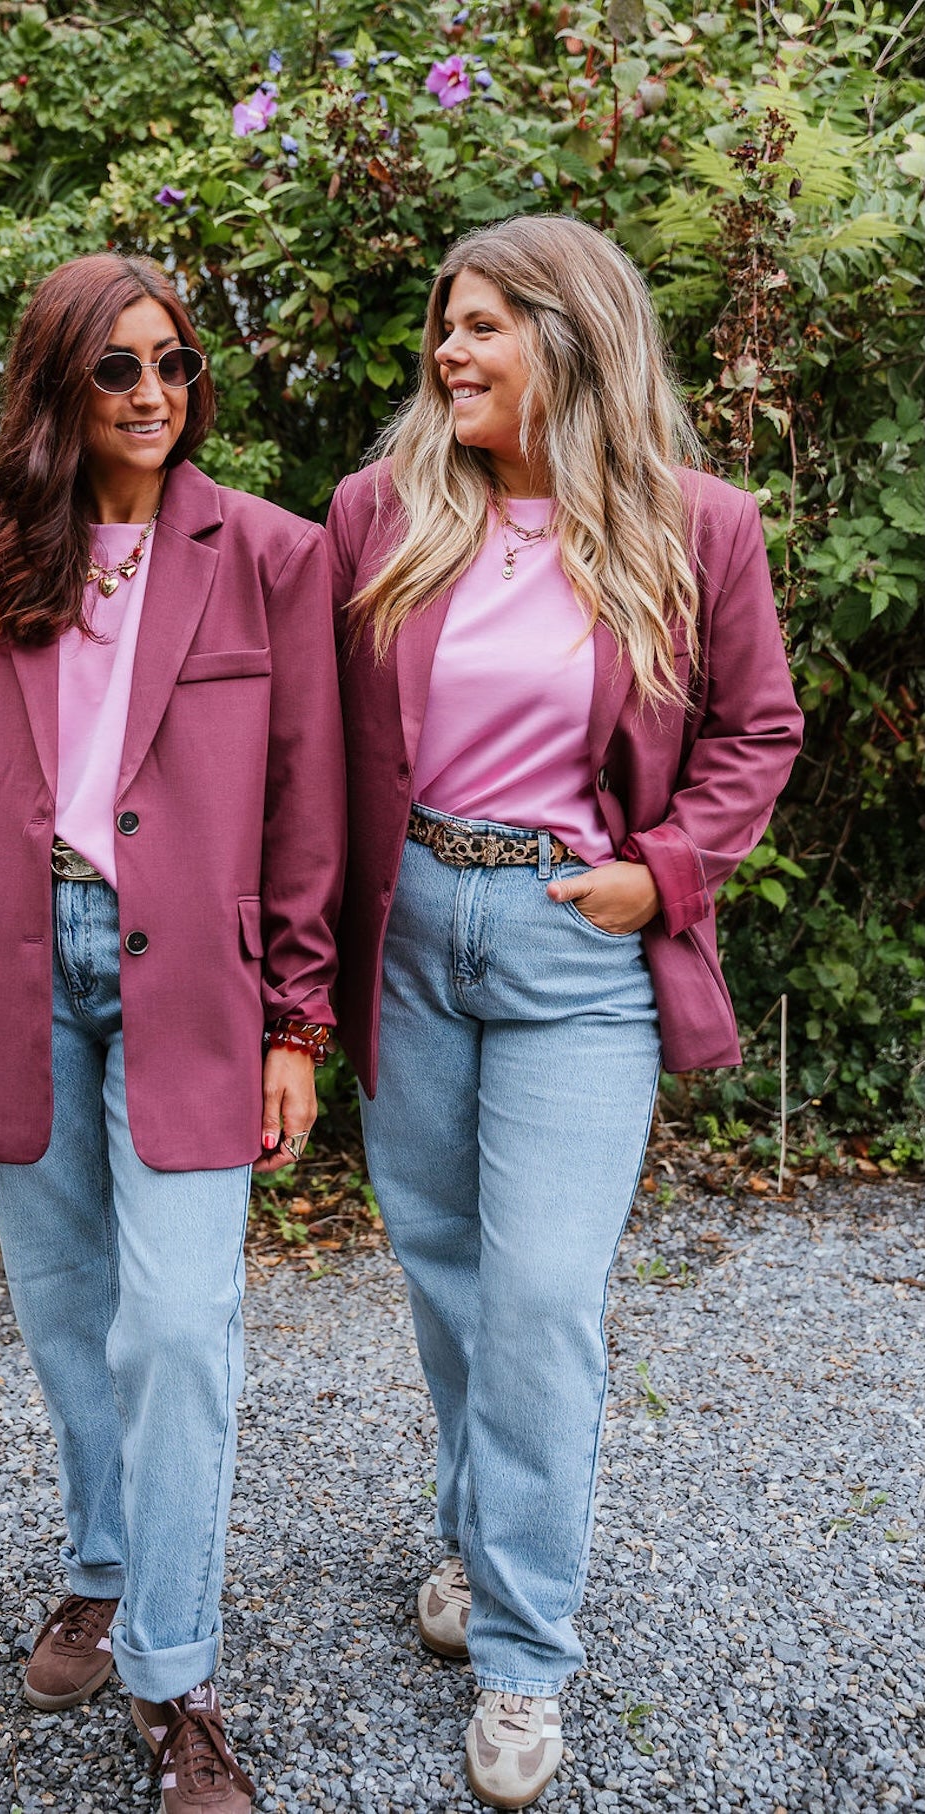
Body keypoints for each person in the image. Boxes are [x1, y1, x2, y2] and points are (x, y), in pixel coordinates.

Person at [327, 215, 803, 1810]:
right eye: (446, 325)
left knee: (540, 1295)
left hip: (574, 945)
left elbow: (758, 729)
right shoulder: (381, 512)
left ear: (571, 337)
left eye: (483, 326)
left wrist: (661, 874)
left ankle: (526, 1652)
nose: (448, 352)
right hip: (413, 927)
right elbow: (320, 735)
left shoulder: (697, 524)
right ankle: (477, 1532)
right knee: (447, 1271)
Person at [0, 252, 344, 1814]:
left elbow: (307, 802)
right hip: (16, 971)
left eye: (176, 362)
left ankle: (177, 1674)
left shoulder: (270, 554)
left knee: (178, 1324)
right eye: (119, 367)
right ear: (56, 387)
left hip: (198, 982)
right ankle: (100, 1561)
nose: (156, 393)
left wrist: (298, 1016)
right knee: (67, 1309)